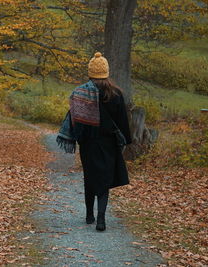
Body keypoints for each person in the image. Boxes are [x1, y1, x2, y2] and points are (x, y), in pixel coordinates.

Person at [69, 52, 132, 231]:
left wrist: (78, 138)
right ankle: (101, 220)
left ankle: (90, 215)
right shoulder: (115, 94)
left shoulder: (80, 93)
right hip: (108, 144)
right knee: (104, 180)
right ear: (106, 72)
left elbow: (75, 118)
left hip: (88, 143)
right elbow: (122, 121)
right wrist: (126, 140)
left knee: (89, 177)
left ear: (90, 73)